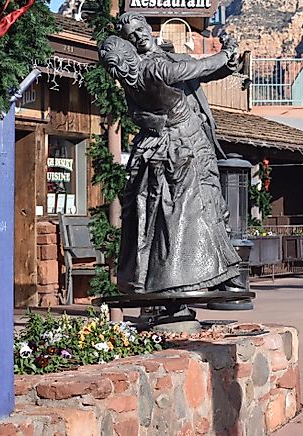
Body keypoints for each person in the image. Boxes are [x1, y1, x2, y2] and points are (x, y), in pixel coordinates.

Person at [100, 16, 244, 295]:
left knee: (174, 211)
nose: (139, 36)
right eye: (132, 35)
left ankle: (168, 277)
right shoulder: (155, 68)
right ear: (128, 46)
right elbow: (198, 67)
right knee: (196, 206)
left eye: (140, 30)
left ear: (149, 29)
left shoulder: (140, 72)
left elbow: (196, 73)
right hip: (184, 144)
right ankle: (208, 275)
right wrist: (226, 53)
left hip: (166, 145)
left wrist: (226, 64)